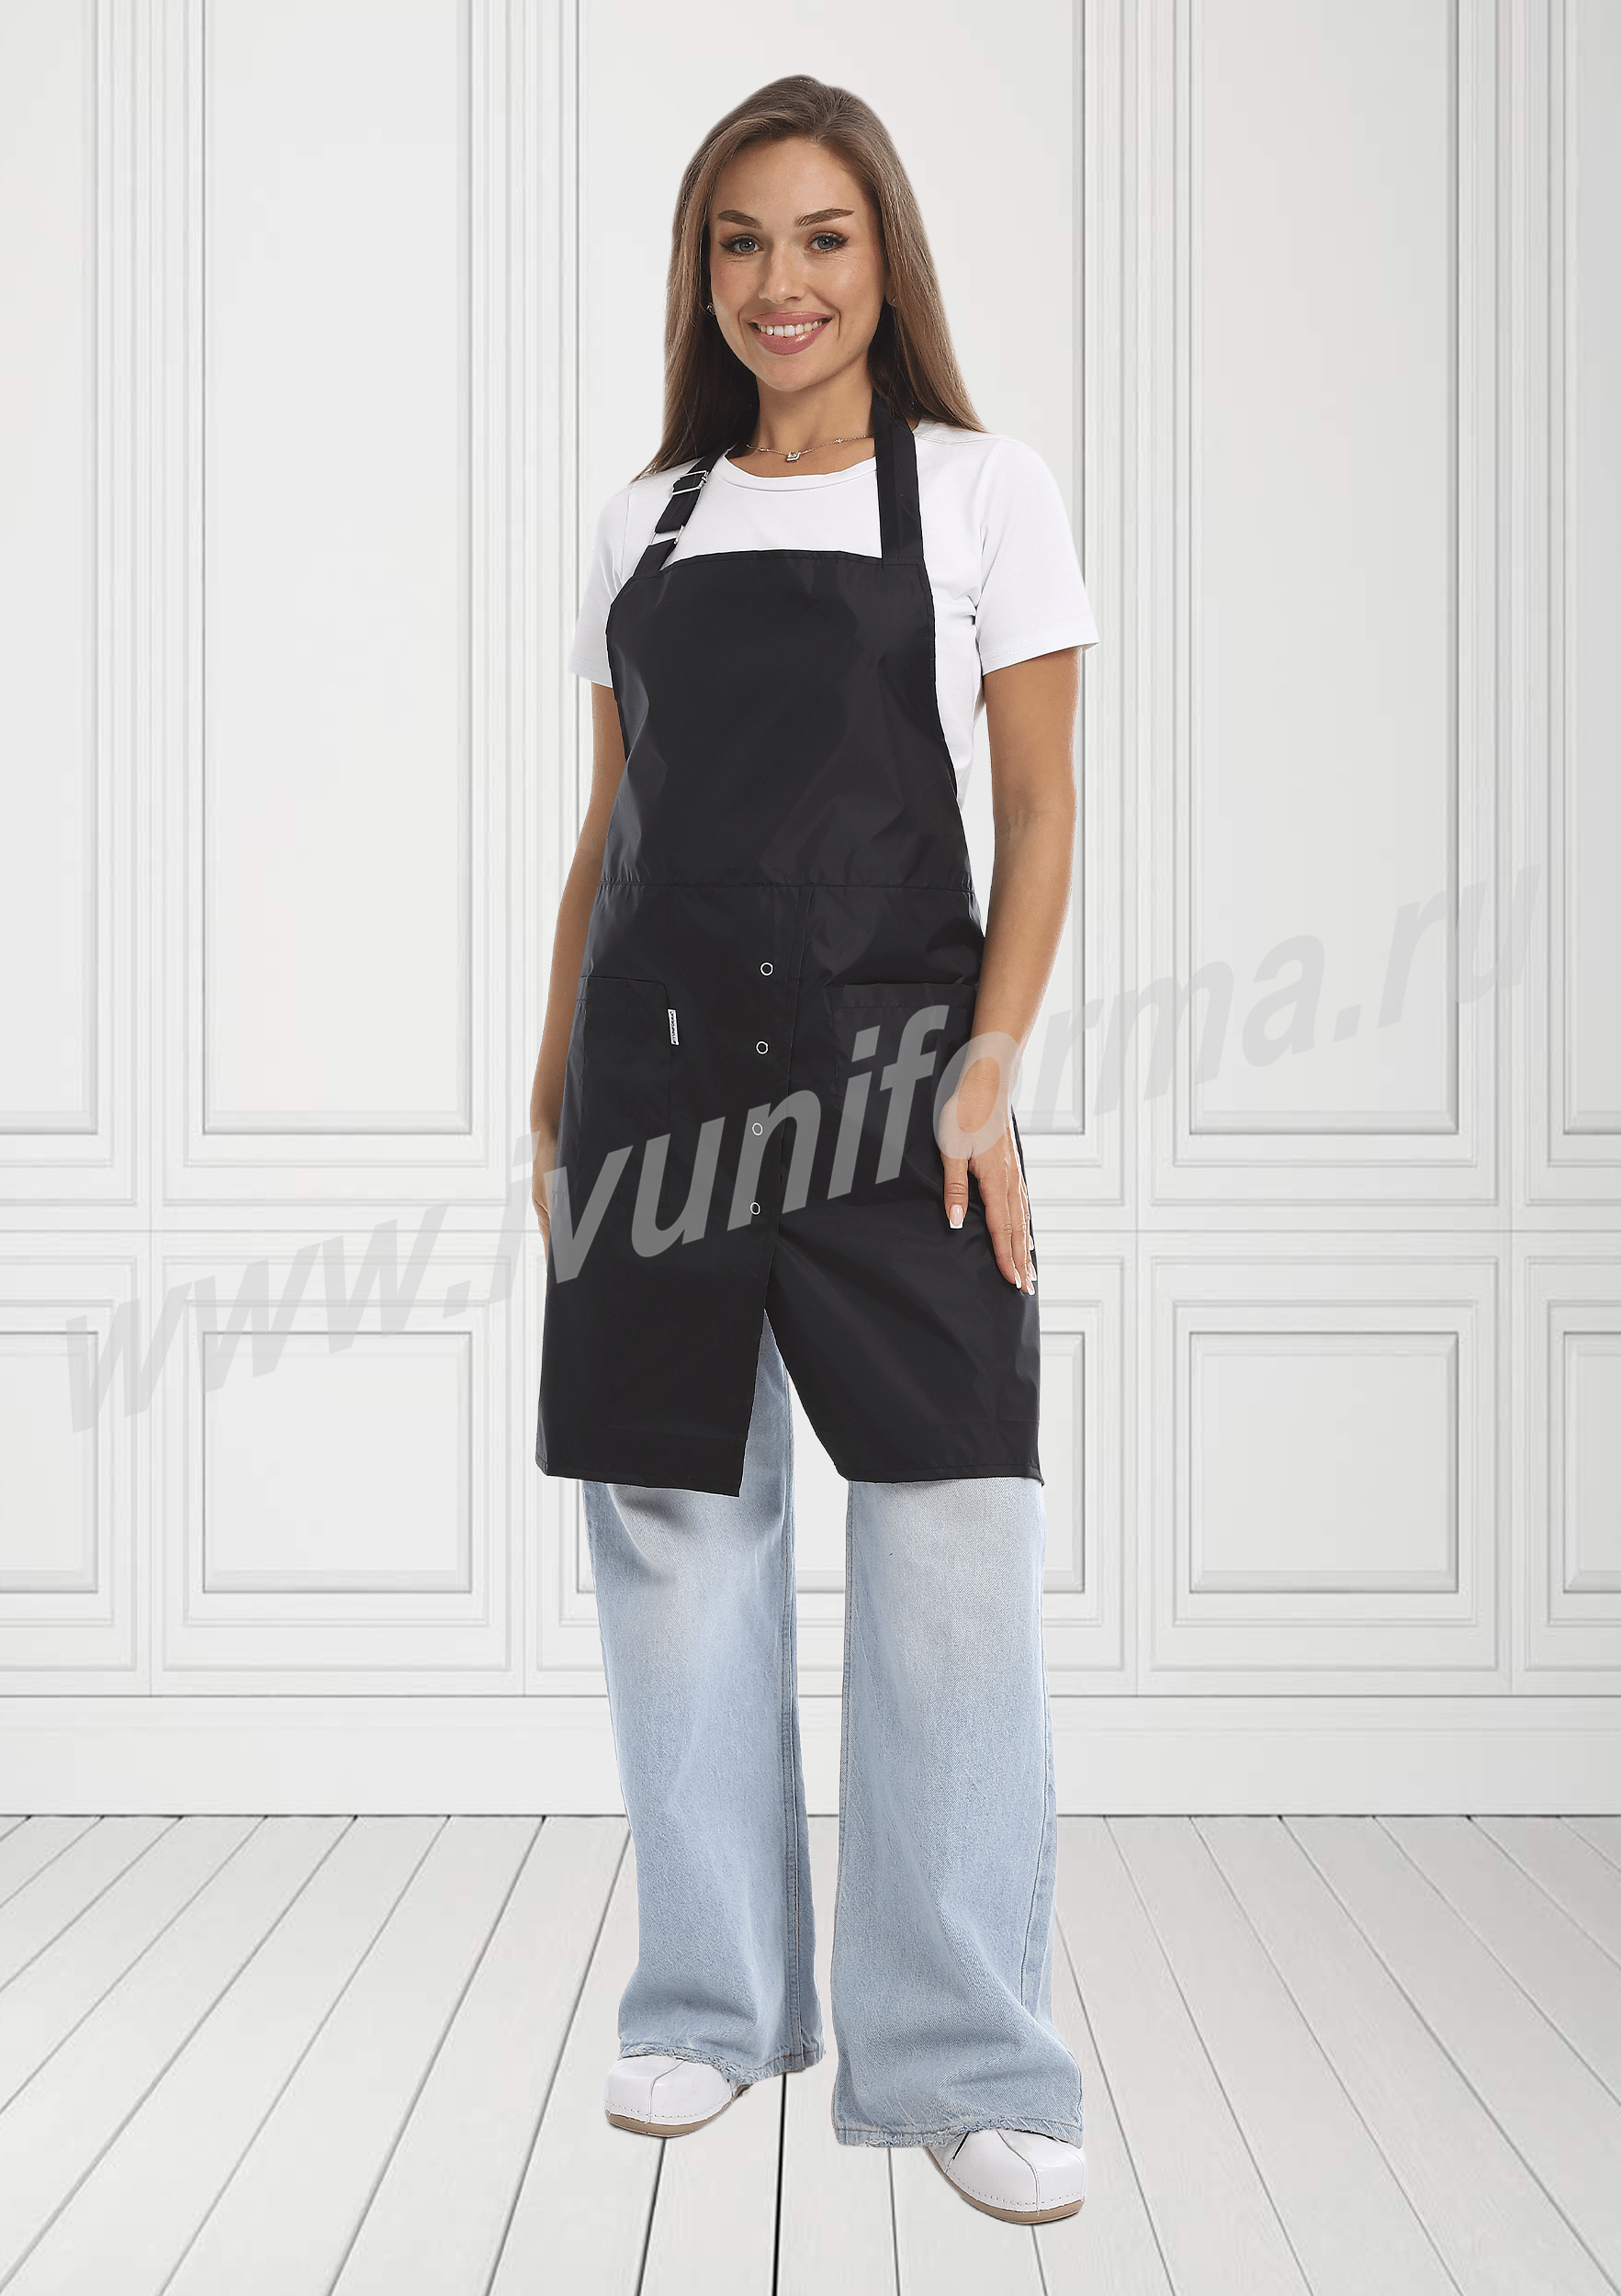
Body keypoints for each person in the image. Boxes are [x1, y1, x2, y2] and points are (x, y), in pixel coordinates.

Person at [530, 73, 1098, 2227]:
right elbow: (614, 827)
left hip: (897, 1095)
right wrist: (548, 1082)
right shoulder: (642, 522)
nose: (783, 281)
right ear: (702, 272)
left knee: (951, 1554)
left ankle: (966, 2055)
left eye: (824, 237)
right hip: (656, 1090)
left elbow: (1035, 806)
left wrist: (988, 1069)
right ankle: (705, 2002)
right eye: (741, 240)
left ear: (885, 261)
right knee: (676, 1548)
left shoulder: (982, 490)